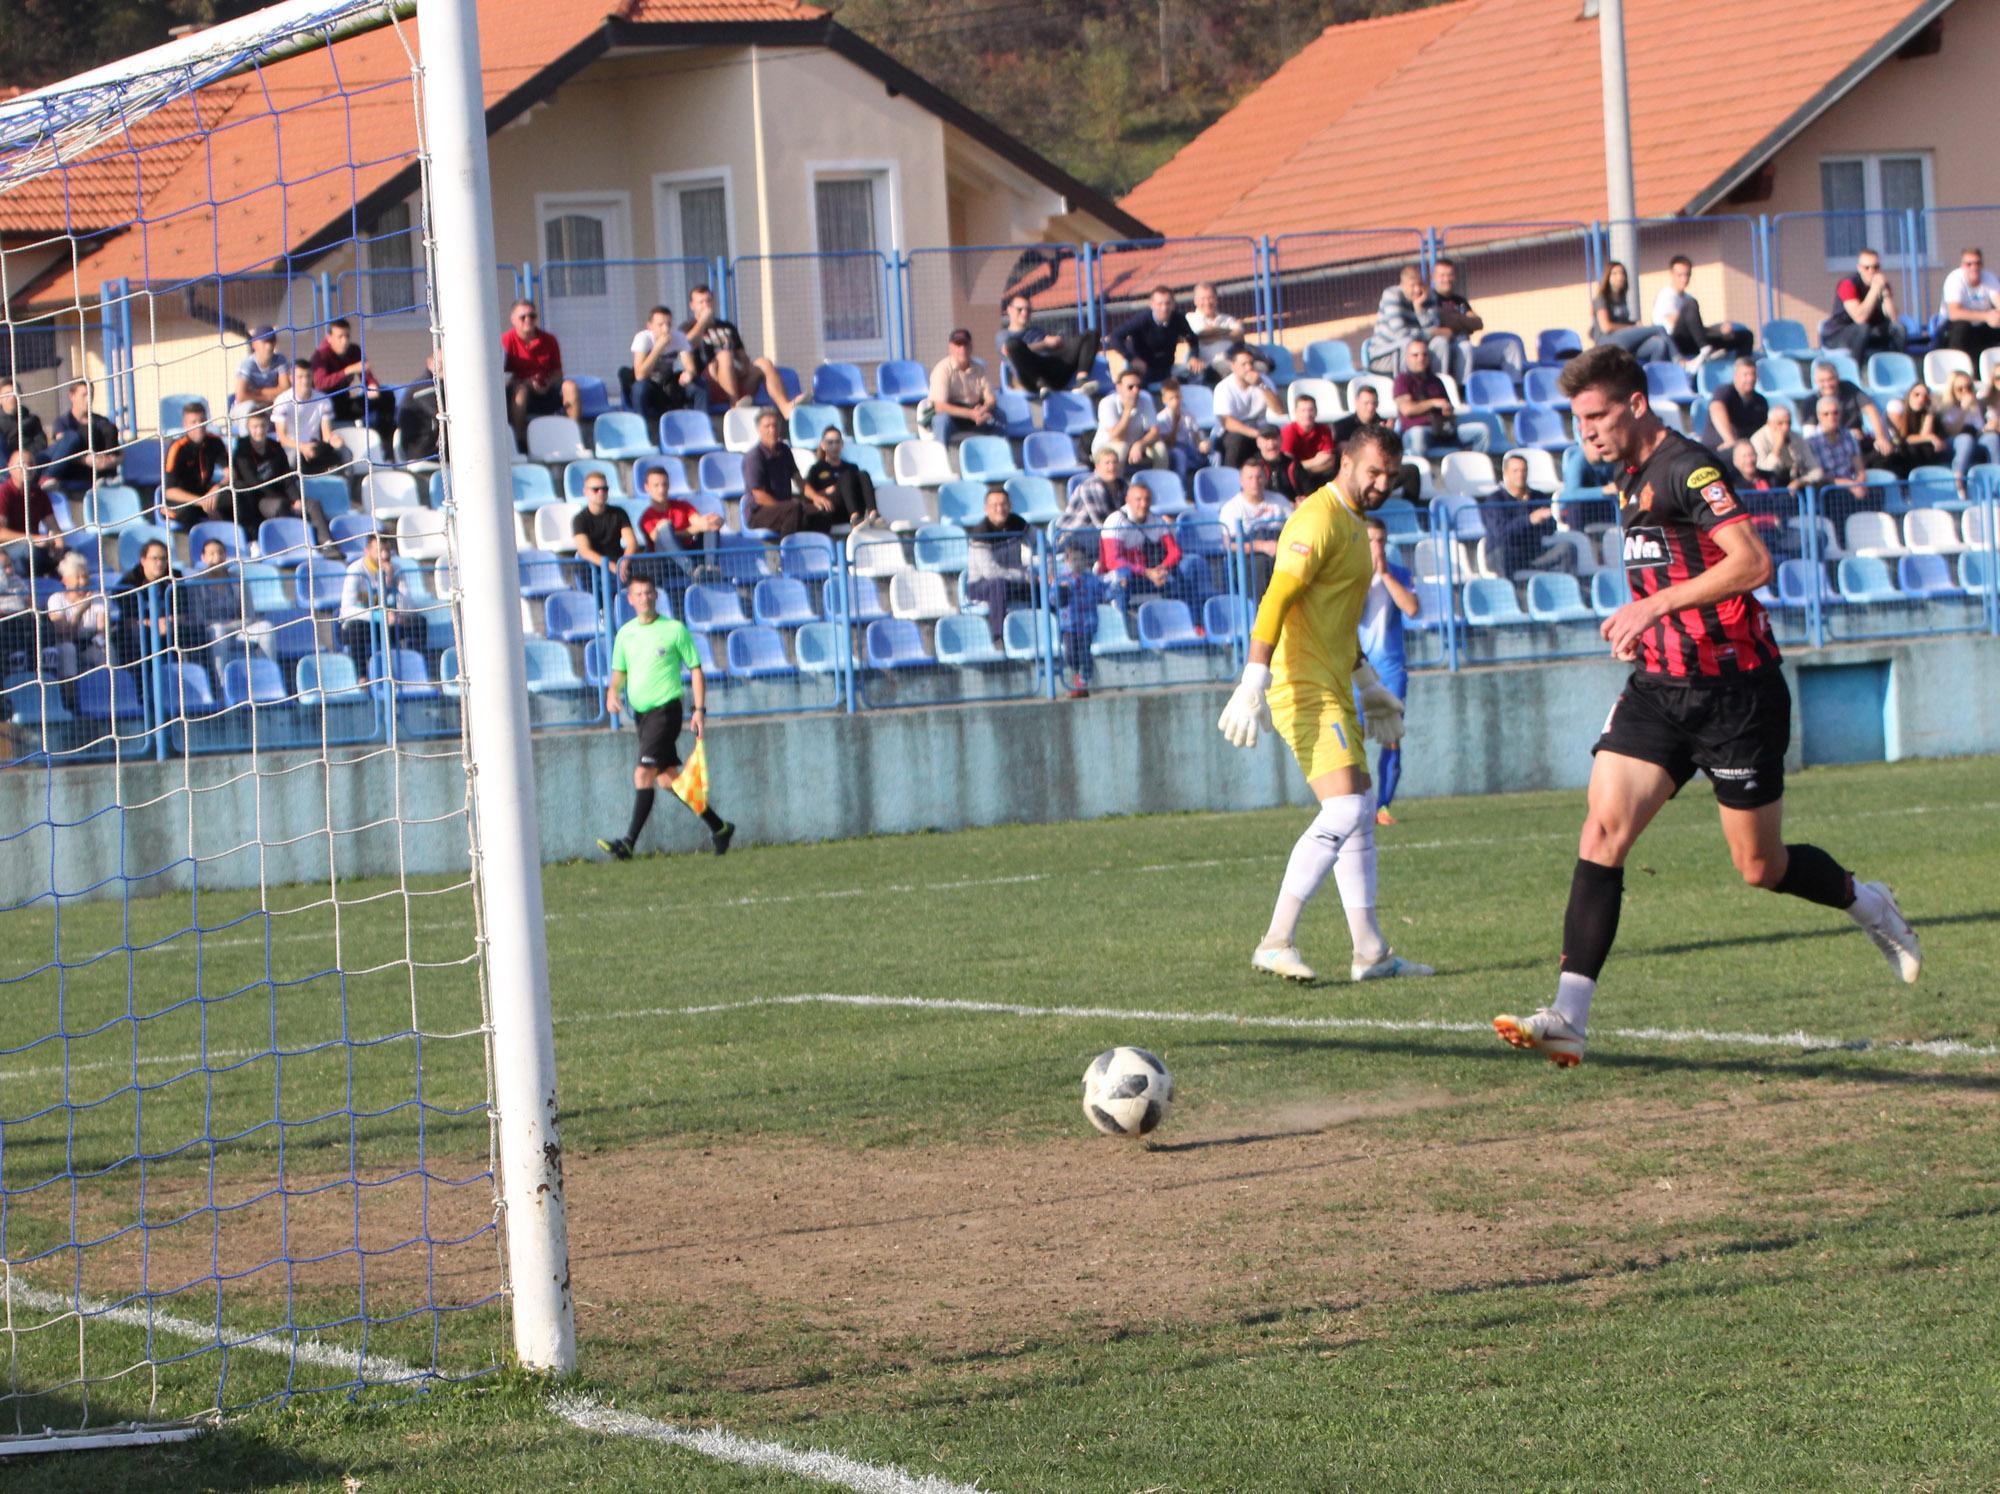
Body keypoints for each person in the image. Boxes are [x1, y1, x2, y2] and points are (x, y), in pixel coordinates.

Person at [1492, 343, 1918, 1068]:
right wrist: (1645, 623)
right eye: (1577, 420)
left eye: (1596, 416)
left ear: (1634, 404)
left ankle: (1869, 903)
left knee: (1760, 865)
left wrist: (1654, 603)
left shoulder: (1690, 467)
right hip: (1660, 689)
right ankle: (1569, 1014)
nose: (1585, 432)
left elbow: (1752, 563)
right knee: (1602, 832)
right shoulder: (1628, 482)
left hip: (1736, 694)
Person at [1215, 424, 1432, 984]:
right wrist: (1253, 677)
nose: (1382, 483)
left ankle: (1370, 953)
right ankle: (1275, 940)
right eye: (1373, 472)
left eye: (1390, 475)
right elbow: (1277, 596)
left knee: (1360, 811)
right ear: (1346, 463)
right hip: (1301, 684)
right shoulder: (1316, 518)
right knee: (1344, 811)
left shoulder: (1356, 528)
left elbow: (1333, 618)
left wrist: (1368, 684)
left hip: (1333, 681)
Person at [597, 573, 733, 859]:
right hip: (642, 715)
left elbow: (696, 669)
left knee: (643, 772)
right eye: (639, 594)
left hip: (666, 710)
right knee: (668, 780)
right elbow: (620, 670)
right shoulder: (626, 633)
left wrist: (698, 710)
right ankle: (719, 826)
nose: (645, 597)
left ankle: (628, 843)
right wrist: (613, 691)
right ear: (631, 599)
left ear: (655, 596)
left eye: (649, 592)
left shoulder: (673, 630)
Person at [1357, 515, 1418, 827]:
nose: (1376, 546)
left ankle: (1383, 807)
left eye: (1380, 540)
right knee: (1351, 739)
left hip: (1390, 668)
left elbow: (1411, 607)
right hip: (1355, 667)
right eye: (1370, 541)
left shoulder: (1399, 573)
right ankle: (1353, 805)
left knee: (1391, 737)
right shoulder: (1351, 578)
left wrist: (1385, 575)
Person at [233, 408, 332, 549]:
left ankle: (327, 542)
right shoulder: (242, 451)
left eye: (262, 426)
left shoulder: (275, 447)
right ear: (248, 428)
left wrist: (296, 499)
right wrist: (287, 501)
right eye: (255, 427)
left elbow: (287, 476)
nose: (259, 431)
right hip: (260, 499)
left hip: (283, 496)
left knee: (312, 505)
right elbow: (253, 483)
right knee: (280, 505)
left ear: (268, 426)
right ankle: (294, 543)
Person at [501, 300, 581, 448]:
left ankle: (573, 435)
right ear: (513, 320)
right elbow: (503, 376)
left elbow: (558, 372)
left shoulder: (549, 340)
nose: (528, 320)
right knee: (521, 391)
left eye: (532, 316)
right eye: (523, 317)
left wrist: (547, 384)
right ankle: (520, 442)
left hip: (547, 389)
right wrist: (526, 383)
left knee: (570, 386)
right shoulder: (505, 341)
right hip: (521, 391)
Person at [742, 408, 834, 536]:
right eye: (767, 426)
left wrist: (816, 497)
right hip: (759, 512)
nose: (772, 430)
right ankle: (787, 552)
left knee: (823, 510)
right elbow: (758, 495)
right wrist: (784, 507)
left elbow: (799, 480)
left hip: (787, 507)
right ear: (759, 430)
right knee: (794, 509)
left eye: (775, 425)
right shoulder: (754, 456)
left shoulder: (784, 450)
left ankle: (815, 551)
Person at [1481, 453, 1574, 579]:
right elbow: (1500, 533)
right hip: (1505, 554)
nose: (1520, 474)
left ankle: (1563, 591)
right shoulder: (1495, 500)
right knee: (1501, 555)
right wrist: (1530, 519)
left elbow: (1551, 530)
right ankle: (1510, 596)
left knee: (1567, 548)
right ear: (1506, 473)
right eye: (1515, 471)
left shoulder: (1537, 497)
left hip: (1533, 553)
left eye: (1524, 470)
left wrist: (1544, 520)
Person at [338, 533, 422, 669]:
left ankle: (414, 668)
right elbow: (347, 610)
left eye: (387, 551)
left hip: (388, 622)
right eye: (379, 551)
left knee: (418, 623)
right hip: (363, 624)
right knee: (356, 629)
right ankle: (362, 676)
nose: (384, 556)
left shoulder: (396, 570)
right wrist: (378, 616)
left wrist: (391, 583)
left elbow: (410, 606)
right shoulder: (355, 570)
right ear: (367, 551)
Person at [1650, 255, 1752, 365]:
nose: (1684, 279)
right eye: (1680, 275)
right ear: (1671, 274)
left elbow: (1697, 327)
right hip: (1676, 342)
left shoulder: (1688, 297)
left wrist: (1719, 330)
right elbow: (1674, 324)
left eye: (1687, 275)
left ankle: (1741, 368)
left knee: (1745, 336)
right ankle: (1705, 348)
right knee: (1691, 305)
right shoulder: (1666, 295)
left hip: (1695, 340)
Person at [683, 284, 772, 407]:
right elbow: (686, 344)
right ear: (692, 306)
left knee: (764, 363)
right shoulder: (687, 327)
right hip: (711, 379)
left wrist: (744, 366)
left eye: (708, 301)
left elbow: (742, 354)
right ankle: (734, 405)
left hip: (735, 375)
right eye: (701, 302)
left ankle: (786, 407)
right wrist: (703, 321)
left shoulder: (727, 326)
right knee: (724, 355)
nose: (706, 305)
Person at [1393, 339, 1486, 455]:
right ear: (1407, 358)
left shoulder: (1436, 381)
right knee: (1418, 434)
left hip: (1443, 430)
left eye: (1424, 354)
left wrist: (1448, 410)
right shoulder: (1402, 380)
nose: (1421, 359)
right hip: (1419, 430)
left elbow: (1449, 409)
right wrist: (1433, 403)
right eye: (1415, 355)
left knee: (1481, 431)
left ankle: (1473, 468)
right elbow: (1407, 409)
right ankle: (1422, 472)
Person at [965, 487, 1033, 645]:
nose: (1000, 509)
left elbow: (1041, 543)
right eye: (995, 505)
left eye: (1003, 504)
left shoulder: (1017, 523)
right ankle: (998, 636)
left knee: (1044, 588)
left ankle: (1053, 631)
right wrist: (1025, 576)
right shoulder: (980, 533)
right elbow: (990, 571)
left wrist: (1047, 571)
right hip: (980, 585)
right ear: (986, 509)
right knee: (998, 584)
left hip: (1013, 581)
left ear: (1010, 506)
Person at [309, 318, 395, 440]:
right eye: (340, 337)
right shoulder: (321, 355)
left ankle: (386, 442)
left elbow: (366, 372)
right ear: (329, 338)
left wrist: (372, 385)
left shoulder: (354, 351)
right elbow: (320, 383)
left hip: (345, 403)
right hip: (325, 409)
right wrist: (347, 371)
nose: (344, 341)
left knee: (386, 395)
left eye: (347, 336)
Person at [1000, 293, 1100, 397]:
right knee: (1013, 345)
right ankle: (1041, 385)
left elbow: (1052, 347)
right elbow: (1008, 351)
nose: (1024, 313)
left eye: (1028, 310)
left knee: (1090, 335)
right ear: (1009, 310)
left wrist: (1058, 342)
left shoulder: (1036, 330)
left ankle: (1081, 381)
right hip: (1032, 377)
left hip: (1054, 370)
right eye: (1020, 309)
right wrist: (1045, 344)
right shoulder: (1004, 335)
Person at [1216, 455, 1292, 591]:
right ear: (1241, 481)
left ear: (1265, 479)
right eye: (1250, 478)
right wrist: (1261, 546)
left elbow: (1295, 529)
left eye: (1259, 477)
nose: (1255, 482)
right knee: (1261, 565)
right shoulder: (1232, 508)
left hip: (1281, 549)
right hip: (1249, 558)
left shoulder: (1280, 501)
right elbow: (1229, 544)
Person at [1098, 481, 1181, 604]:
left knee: (1187, 568)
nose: (1143, 504)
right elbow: (1112, 561)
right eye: (1138, 500)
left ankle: (1186, 618)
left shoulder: (1156, 520)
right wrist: (1147, 572)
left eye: (1147, 499)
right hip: (1118, 574)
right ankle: (1123, 619)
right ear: (1127, 500)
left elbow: (1174, 551)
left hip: (1149, 572)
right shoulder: (1115, 521)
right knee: (1122, 577)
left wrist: (1162, 568)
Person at [160, 400, 233, 532]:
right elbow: (169, 492)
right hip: (183, 500)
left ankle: (237, 540)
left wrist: (218, 487)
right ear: (185, 425)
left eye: (202, 421)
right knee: (189, 512)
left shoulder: (215, 442)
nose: (199, 426)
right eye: (193, 422)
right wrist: (202, 501)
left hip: (205, 493)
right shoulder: (177, 448)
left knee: (234, 498)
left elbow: (231, 473)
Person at [1819, 247, 1904, 358]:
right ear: (1859, 268)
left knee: (1898, 329)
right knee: (1862, 329)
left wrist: (1886, 295)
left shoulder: (1882, 284)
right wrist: (1874, 290)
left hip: (1867, 332)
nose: (1871, 271)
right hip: (1838, 333)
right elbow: (1860, 318)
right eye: (1866, 268)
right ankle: (1857, 370)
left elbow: (1894, 318)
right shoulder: (1848, 285)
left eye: (1875, 267)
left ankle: (1897, 365)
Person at [1369, 263, 1451, 376]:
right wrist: (1431, 333)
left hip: (1417, 350)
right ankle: (1405, 387)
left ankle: (1437, 386)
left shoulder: (1428, 295)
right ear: (1402, 285)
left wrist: (1419, 309)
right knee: (1408, 344)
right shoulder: (1391, 295)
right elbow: (1401, 334)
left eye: (1420, 284)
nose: (1417, 290)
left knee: (1440, 342)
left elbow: (1434, 329)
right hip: (1384, 355)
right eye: (1412, 285)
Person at [269, 359, 348, 475]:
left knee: (346, 453)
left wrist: (334, 440)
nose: (304, 380)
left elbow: (326, 434)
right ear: (291, 378)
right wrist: (302, 447)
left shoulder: (323, 400)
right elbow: (282, 438)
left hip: (314, 446)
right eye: (300, 377)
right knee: (293, 460)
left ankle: (345, 489)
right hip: (291, 447)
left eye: (307, 376)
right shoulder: (282, 401)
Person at [44, 381, 120, 498]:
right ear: (72, 396)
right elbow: (62, 450)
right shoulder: (63, 422)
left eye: (91, 394)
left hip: (99, 473)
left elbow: (119, 452)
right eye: (84, 395)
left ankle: (106, 480)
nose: (88, 399)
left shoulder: (102, 422)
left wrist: (108, 462)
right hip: (73, 473)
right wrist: (88, 460)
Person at [627, 304, 697, 430]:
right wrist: (658, 349)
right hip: (649, 383)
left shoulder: (679, 337)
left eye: (669, 324)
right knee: (640, 388)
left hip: (668, 383)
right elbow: (640, 375)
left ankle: (701, 427)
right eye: (660, 325)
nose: (665, 329)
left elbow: (690, 366)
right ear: (650, 326)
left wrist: (689, 373)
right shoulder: (643, 339)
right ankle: (640, 430)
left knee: (699, 385)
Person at [1111, 285, 1199, 384]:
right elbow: (1115, 336)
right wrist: (1132, 359)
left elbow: (1193, 339)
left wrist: (1194, 357)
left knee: (1196, 374)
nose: (1164, 308)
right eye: (1159, 304)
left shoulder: (1178, 319)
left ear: (1173, 304)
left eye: (1168, 303)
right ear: (1152, 304)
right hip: (1142, 369)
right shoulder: (1142, 320)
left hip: (1166, 368)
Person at [925, 330, 1001, 445]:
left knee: (1000, 416)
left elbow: (991, 399)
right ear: (950, 348)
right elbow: (940, 406)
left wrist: (983, 410)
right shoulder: (942, 369)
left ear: (971, 347)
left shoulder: (980, 369)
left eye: (965, 344)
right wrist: (970, 414)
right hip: (953, 418)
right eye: (958, 345)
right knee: (941, 420)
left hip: (976, 415)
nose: (962, 349)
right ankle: (939, 459)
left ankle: (1001, 458)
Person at [1214, 344, 1284, 467]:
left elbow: (1279, 410)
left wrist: (1262, 386)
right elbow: (1228, 422)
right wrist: (1257, 434)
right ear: (1233, 366)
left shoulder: (1264, 381)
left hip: (1262, 429)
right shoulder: (1224, 387)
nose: (1249, 368)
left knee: (1278, 437)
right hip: (1234, 433)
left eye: (1251, 363)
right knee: (1236, 441)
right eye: (1244, 364)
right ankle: (1231, 478)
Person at [1053, 542, 1107, 698]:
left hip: (1087, 624)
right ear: (1067, 562)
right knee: (1070, 654)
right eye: (1074, 560)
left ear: (1086, 561)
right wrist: (1060, 591)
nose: (1077, 563)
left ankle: (1083, 681)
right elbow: (1053, 600)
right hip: (1069, 625)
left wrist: (1116, 587)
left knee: (1084, 653)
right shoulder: (1061, 580)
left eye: (1081, 560)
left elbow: (1102, 594)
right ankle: (1078, 677)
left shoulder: (1092, 579)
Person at [1590, 261, 1672, 363]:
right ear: (1607, 277)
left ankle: (1657, 375)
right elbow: (1606, 327)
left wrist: (1634, 323)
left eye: (1622, 273)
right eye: (1615, 274)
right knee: (1659, 328)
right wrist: (1632, 327)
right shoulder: (1601, 299)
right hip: (1607, 342)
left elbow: (1622, 322)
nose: (1620, 277)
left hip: (1624, 342)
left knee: (1659, 345)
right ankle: (1680, 360)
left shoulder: (1621, 298)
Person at [0, 447, 64, 575]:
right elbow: (1, 533)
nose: (26, 468)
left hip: (35, 546)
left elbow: (54, 527)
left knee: (70, 557)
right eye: (21, 464)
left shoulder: (39, 494)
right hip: (10, 547)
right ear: (10, 468)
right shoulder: (4, 493)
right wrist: (33, 539)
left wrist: (59, 547)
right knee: (30, 552)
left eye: (30, 464)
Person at [1810, 358, 1891, 459]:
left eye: (1830, 379)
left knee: (1887, 453)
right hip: (1831, 448)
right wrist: (1846, 435)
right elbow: (1811, 435)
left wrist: (1880, 437)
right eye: (1822, 381)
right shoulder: (1810, 402)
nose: (1827, 384)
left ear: (1837, 378)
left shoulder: (1849, 388)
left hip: (1858, 440)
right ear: (1816, 382)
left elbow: (1870, 410)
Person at [43, 551, 107, 679]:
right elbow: (65, 633)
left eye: (85, 577)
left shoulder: (97, 598)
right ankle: (70, 696)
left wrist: (99, 641)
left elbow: (102, 630)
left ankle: (108, 692)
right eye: (77, 577)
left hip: (89, 645)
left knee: (105, 651)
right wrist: (80, 611)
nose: (83, 582)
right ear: (65, 580)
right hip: (64, 644)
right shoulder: (56, 600)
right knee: (68, 649)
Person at [1807, 394, 1871, 519]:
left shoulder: (1849, 436)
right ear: (1819, 416)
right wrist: (1850, 485)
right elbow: (1821, 476)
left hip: (1851, 484)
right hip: (1829, 488)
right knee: (1840, 499)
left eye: (1835, 413)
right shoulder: (1811, 442)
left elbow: (1859, 467)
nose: (1831, 417)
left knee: (1875, 493)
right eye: (1826, 414)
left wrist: (1859, 482)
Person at [1938, 369, 2000, 496]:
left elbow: (1980, 428)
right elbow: (1952, 430)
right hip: (1954, 442)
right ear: (1952, 390)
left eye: (1968, 388)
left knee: (1992, 438)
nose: (1965, 391)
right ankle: (1958, 481)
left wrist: (1990, 427)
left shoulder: (1976, 405)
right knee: (1965, 439)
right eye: (1960, 388)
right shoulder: (1947, 407)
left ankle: (1997, 480)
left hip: (1975, 439)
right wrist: (1964, 409)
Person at [1937, 246, 2000, 365]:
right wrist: (1987, 316)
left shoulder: (1989, 278)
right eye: (1969, 264)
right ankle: (1957, 368)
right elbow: (1954, 313)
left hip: (1980, 326)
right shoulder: (1954, 280)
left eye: (1977, 263)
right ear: (1962, 266)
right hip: (1952, 328)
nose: (1974, 267)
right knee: (1962, 327)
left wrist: (1996, 318)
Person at [1187, 281, 1260, 383]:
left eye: (1210, 298)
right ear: (1195, 301)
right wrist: (1228, 333)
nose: (1207, 302)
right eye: (1203, 299)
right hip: (1211, 366)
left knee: (1261, 367)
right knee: (1247, 371)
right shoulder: (1190, 318)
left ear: (1216, 299)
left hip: (1235, 360)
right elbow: (1203, 333)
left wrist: (1215, 334)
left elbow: (1239, 335)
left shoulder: (1227, 319)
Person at [570, 473, 638, 582]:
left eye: (605, 489)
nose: (601, 492)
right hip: (593, 566)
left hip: (618, 562)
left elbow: (632, 542)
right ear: (585, 492)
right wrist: (610, 566)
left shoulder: (619, 513)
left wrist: (624, 562)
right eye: (595, 489)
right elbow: (585, 551)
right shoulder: (579, 519)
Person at [803, 429, 876, 528]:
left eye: (837, 442)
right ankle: (854, 517)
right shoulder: (816, 469)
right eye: (830, 442)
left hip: (852, 506)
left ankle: (874, 514)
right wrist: (826, 491)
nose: (834, 446)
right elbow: (808, 494)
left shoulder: (851, 467)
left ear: (842, 444)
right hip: (832, 509)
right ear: (823, 445)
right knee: (845, 477)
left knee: (863, 474)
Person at [1426, 259, 1482, 383]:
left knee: (1508, 346)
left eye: (1450, 275)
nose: (1446, 279)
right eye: (1442, 275)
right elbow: (1439, 320)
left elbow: (1478, 323)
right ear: (1433, 277)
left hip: (1462, 346)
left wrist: (1453, 320)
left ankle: (1463, 390)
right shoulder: (1429, 300)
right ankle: (1441, 388)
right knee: (1444, 343)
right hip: (1439, 348)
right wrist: (1463, 322)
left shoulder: (1460, 301)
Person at [1698, 357, 1768, 450]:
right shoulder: (1725, 391)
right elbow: (1716, 408)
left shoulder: (1760, 401)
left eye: (1753, 374)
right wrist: (1730, 440)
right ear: (1736, 376)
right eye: (1745, 375)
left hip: (1748, 450)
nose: (1750, 379)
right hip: (1718, 447)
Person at [1094, 369, 1161, 465]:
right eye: (1130, 387)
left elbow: (1155, 431)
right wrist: (1128, 410)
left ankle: (1161, 478)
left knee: (1160, 448)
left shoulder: (1145, 399)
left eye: (1139, 386)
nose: (1136, 390)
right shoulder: (1107, 403)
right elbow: (1117, 436)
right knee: (1121, 448)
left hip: (1135, 443)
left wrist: (1140, 444)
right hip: (1106, 447)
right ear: (1119, 388)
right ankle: (1118, 480)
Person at [1058, 444, 1127, 534]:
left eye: (1115, 462)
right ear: (1097, 466)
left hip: (1104, 533)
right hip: (1076, 534)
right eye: (1107, 463)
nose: (1112, 467)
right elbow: (1102, 522)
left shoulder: (1123, 485)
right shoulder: (1092, 486)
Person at [1883, 380, 1944, 479]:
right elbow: (1901, 437)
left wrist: (1930, 413)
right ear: (1909, 395)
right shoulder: (1897, 406)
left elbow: (1924, 436)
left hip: (1914, 450)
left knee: (1926, 448)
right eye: (1916, 394)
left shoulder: (1925, 413)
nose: (1920, 399)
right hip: (1894, 449)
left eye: (1925, 396)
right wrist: (1931, 437)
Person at [1751, 404, 1818, 492]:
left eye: (1788, 423)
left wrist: (1801, 482)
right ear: (1769, 423)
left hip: (1796, 485)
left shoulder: (1797, 438)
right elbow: (1763, 470)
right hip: (1772, 488)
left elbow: (1816, 470)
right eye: (1780, 423)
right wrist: (1776, 449)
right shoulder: (1758, 440)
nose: (1785, 427)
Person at [1154, 378, 1210, 480]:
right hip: (1174, 449)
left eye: (1178, 397)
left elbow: (1196, 432)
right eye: (1172, 398)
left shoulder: (1187, 414)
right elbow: (1169, 443)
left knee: (1214, 456)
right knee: (1180, 456)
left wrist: (1201, 442)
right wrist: (1175, 423)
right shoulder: (1161, 418)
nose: (1176, 401)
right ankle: (1182, 487)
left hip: (1188, 447)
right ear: (1164, 400)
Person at [1280, 393, 1338, 489]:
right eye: (1303, 410)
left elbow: (1329, 461)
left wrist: (1302, 468)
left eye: (1311, 410)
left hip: (1319, 475)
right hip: (1294, 480)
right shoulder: (1288, 432)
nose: (1307, 414)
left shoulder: (1324, 430)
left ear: (1316, 412)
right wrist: (1314, 462)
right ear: (1295, 412)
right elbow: (1287, 466)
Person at [396, 352, 442, 464]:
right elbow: (440, 414)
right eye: (441, 363)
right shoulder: (424, 385)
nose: (444, 368)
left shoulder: (440, 385)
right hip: (419, 448)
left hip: (430, 446)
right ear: (430, 363)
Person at [232, 325, 288, 415]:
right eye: (264, 342)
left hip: (270, 406)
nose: (269, 346)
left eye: (271, 341)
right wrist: (268, 397)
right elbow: (241, 397)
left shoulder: (280, 360)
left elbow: (285, 389)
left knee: (286, 407)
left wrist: (257, 392)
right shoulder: (247, 364)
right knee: (250, 408)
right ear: (254, 344)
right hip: (244, 408)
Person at [0, 377, 48, 468]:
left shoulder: (32, 420)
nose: (12, 397)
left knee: (70, 438)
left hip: (31, 460)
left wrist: (24, 456)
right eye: (7, 394)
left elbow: (41, 444)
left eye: (15, 393)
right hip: (7, 464)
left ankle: (47, 477)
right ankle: (8, 476)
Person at [1253, 425, 1299, 501]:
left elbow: (1308, 493)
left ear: (1281, 440)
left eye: (1274, 439)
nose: (1271, 444)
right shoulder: (1252, 467)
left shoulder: (1292, 465)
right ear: (1258, 443)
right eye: (1266, 439)